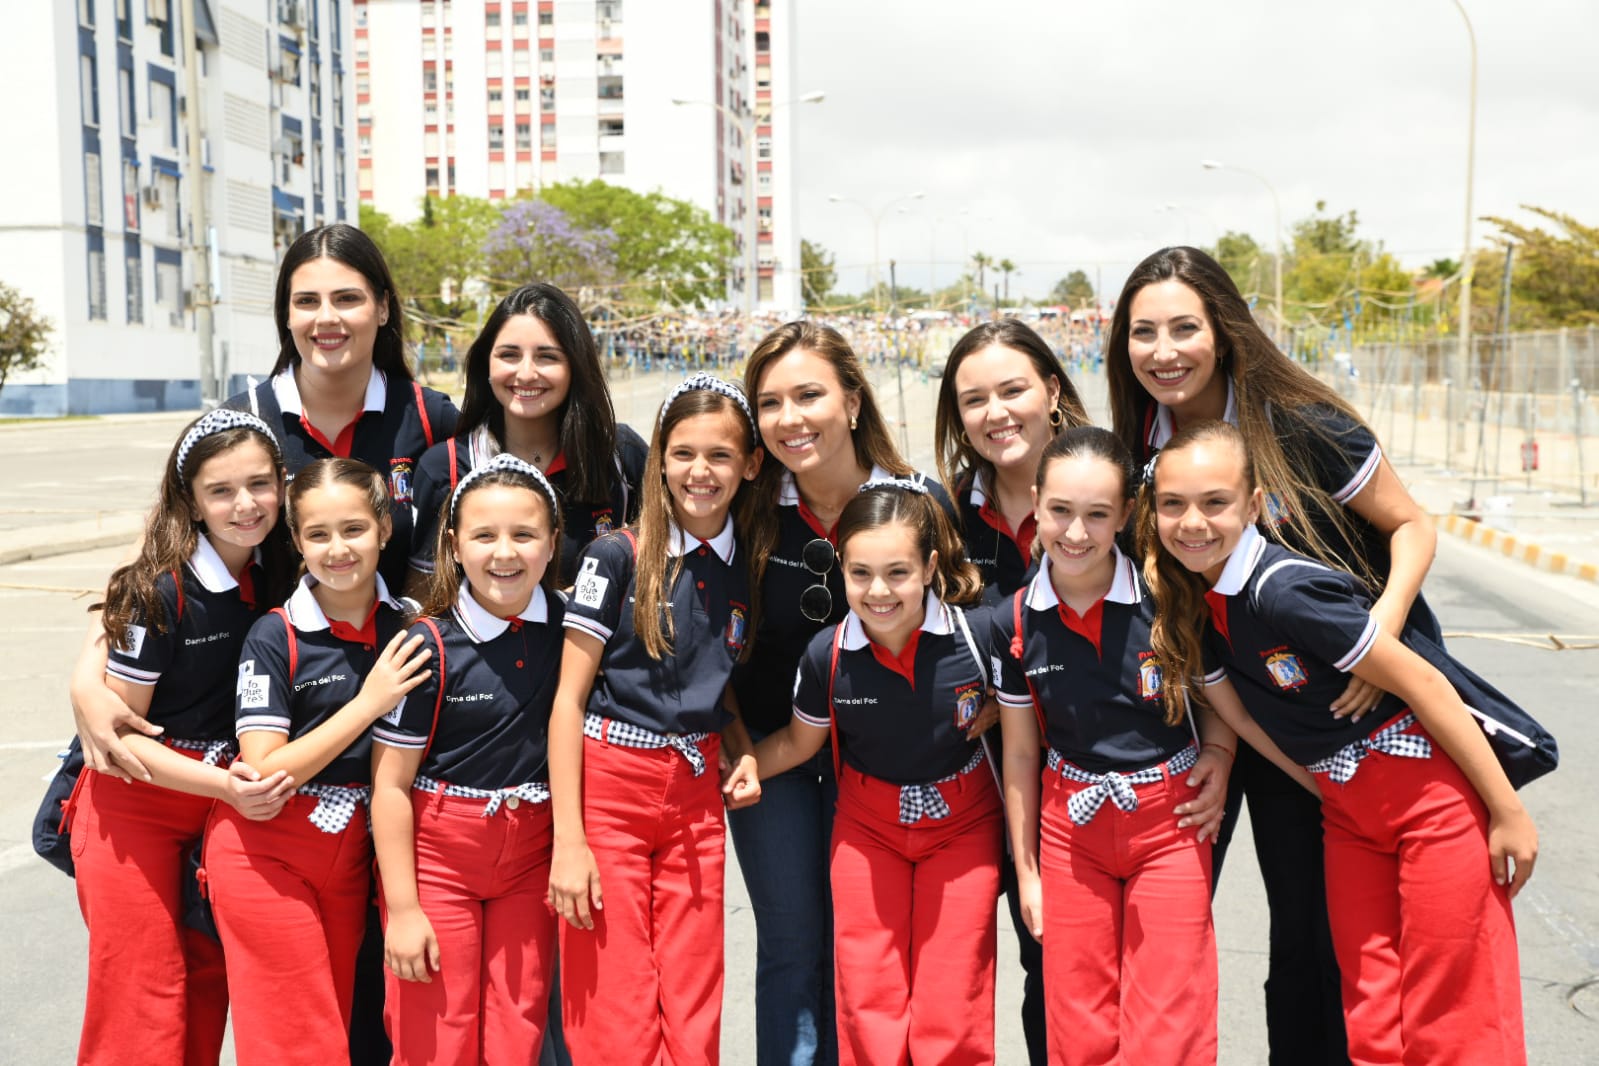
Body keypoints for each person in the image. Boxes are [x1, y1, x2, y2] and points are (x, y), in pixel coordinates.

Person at [1105, 246, 1440, 1063]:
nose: (1163, 350)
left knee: (1313, 933)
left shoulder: (1298, 424)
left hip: (1327, 721)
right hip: (1216, 719)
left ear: (1221, 330)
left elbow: (1412, 525)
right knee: (1164, 934)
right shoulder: (1139, 447)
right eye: (1142, 332)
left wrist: (1381, 636)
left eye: (1183, 327)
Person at [1139, 420, 1536, 1063]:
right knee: (1372, 1014)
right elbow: (1242, 722)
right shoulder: (1198, 599)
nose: (1193, 521)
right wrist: (1324, 789)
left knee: (1454, 1015)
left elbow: (1429, 686)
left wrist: (1507, 812)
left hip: (1430, 807)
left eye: (1215, 502)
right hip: (1349, 818)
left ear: (1255, 505)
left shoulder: (1285, 589)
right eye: (1172, 504)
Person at [732, 321, 957, 1066]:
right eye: (769, 403)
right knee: (794, 948)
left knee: (884, 962)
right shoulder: (748, 512)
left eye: (808, 395)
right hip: (781, 761)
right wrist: (740, 754)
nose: (790, 417)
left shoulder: (919, 503)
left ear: (853, 402)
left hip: (895, 770)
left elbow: (971, 631)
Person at [990, 427, 1236, 1065]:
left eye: (1098, 514)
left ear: (1128, 514)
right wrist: (1028, 873)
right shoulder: (1012, 620)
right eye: (1061, 512)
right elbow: (1019, 754)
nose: (1076, 533)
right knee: (1079, 1020)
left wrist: (1220, 753)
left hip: (1171, 822)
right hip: (1069, 830)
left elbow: (1222, 700)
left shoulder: (1172, 596)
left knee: (1169, 1017)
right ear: (1036, 504)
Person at [548, 373, 763, 1066]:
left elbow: (714, 683)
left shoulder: (742, 564)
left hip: (696, 793)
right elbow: (567, 701)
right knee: (614, 991)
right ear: (660, 460)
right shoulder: (616, 556)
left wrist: (741, 747)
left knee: (695, 986)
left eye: (720, 456)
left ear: (750, 464)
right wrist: (569, 840)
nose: (700, 472)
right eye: (682, 453)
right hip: (610, 784)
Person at [72, 409, 298, 1066]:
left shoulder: (280, 573)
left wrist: (227, 793)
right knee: (142, 993)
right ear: (191, 503)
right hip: (135, 805)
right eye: (221, 491)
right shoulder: (160, 589)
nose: (245, 504)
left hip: (222, 807)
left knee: (205, 984)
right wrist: (226, 786)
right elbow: (120, 743)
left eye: (260, 484)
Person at [753, 480, 1002, 1066]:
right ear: (840, 568)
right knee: (869, 999)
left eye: (898, 571)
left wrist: (1004, 708)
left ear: (931, 565)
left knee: (952, 1003)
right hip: (867, 833)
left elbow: (1044, 701)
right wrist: (728, 770)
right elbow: (795, 744)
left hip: (962, 830)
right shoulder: (826, 654)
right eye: (860, 573)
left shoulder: (982, 633)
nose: (879, 591)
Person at [204, 458, 433, 1066]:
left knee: (337, 1029)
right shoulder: (275, 635)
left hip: (356, 858)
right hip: (266, 853)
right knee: (294, 1040)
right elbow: (266, 770)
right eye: (317, 534)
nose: (338, 549)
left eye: (354, 529)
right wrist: (369, 703)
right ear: (296, 542)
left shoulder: (412, 627)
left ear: (385, 528)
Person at [372, 454, 566, 1064]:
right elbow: (390, 786)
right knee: (436, 1032)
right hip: (439, 864)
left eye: (524, 534)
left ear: (553, 541)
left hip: (530, 862)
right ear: (454, 545)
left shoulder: (573, 629)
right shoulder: (425, 644)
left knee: (519, 1029)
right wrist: (403, 909)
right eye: (484, 536)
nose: (503, 553)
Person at [933, 318, 1090, 1064]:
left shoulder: (1110, 497)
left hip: (1094, 781)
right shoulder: (941, 518)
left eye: (1012, 389)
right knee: (949, 983)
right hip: (974, 784)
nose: (995, 412)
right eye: (973, 400)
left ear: (1051, 390)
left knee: (1061, 974)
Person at [408, 282, 647, 592]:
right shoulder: (447, 467)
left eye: (547, 357)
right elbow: (426, 598)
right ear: (486, 364)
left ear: (576, 365)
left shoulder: (620, 455)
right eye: (509, 355)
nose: (526, 373)